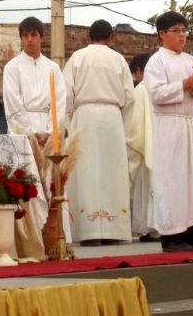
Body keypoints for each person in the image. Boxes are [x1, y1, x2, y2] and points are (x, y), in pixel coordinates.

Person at [144, 11, 193, 252]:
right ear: (162, 34)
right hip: (171, 126)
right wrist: (185, 85)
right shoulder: (157, 61)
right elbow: (156, 93)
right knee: (174, 181)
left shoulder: (192, 60)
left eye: (184, 30)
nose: (182, 35)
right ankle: (172, 236)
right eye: (176, 31)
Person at [63, 20, 135, 246]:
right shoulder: (118, 59)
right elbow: (130, 97)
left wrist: (71, 119)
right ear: (111, 37)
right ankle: (113, 231)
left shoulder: (77, 57)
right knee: (112, 173)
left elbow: (65, 95)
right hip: (112, 118)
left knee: (87, 173)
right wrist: (120, 124)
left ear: (88, 36)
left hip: (84, 118)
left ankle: (88, 231)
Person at [2, 17, 66, 145]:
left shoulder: (53, 68)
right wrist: (29, 133)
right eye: (25, 35)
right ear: (21, 39)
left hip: (48, 132)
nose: (29, 39)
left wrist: (50, 132)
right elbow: (13, 102)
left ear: (42, 37)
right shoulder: (12, 67)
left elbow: (59, 102)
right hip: (21, 132)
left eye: (33, 34)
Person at [126, 52, 159, 242]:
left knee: (146, 186)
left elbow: (135, 124)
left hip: (147, 144)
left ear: (139, 71)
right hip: (162, 144)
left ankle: (148, 227)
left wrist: (131, 142)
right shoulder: (161, 86)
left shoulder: (141, 89)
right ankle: (158, 227)